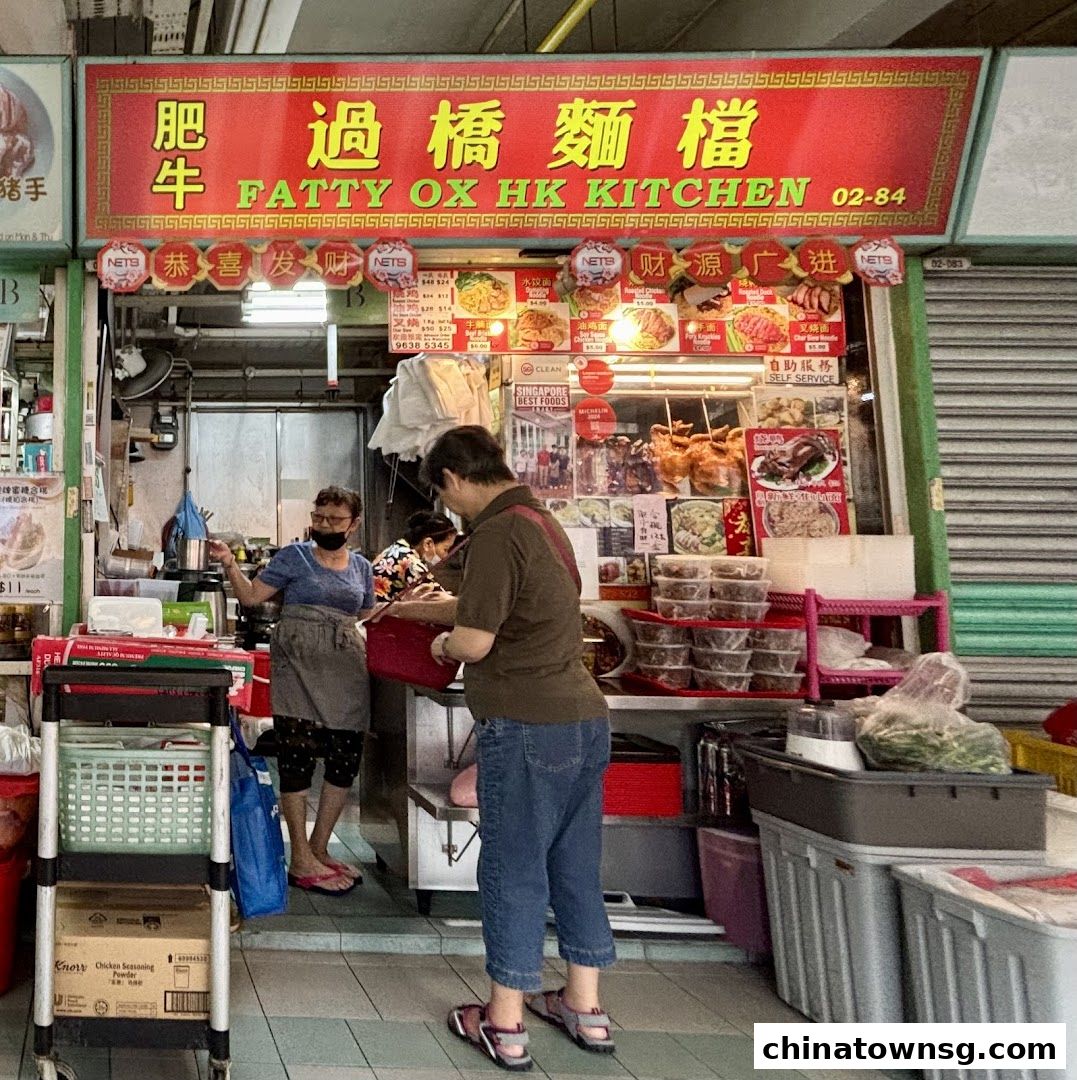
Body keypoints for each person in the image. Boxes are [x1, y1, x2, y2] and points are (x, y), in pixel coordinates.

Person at [414, 426, 616, 1071]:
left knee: (514, 869)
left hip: (528, 724)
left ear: (451, 480)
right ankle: (584, 1009)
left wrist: (443, 646)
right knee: (575, 866)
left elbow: (473, 639)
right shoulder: (541, 521)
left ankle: (503, 1022)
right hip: (583, 720)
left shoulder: (499, 533)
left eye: (446, 498)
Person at [209, 485, 375, 897]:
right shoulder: (294, 557)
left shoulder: (361, 568)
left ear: (353, 524)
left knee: (344, 756)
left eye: (334, 520)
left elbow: (369, 613)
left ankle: (320, 848)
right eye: (319, 518)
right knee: (296, 754)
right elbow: (250, 597)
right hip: (298, 663)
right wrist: (230, 564)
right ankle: (299, 855)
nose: (324, 526)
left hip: (345, 663)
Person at [371, 510, 458, 602]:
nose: (446, 555)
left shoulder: (396, 549)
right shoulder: (410, 563)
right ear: (428, 544)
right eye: (445, 549)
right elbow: (439, 599)